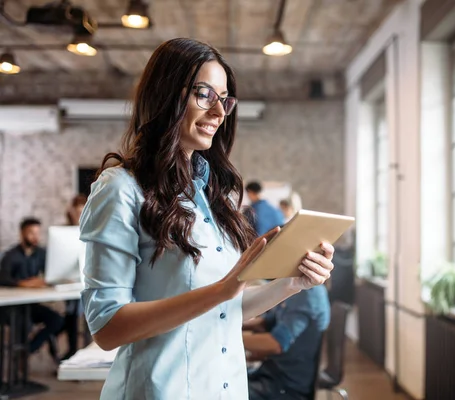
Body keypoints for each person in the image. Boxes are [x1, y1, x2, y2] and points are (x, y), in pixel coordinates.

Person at [79, 38, 335, 400]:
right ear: (166, 94)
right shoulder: (121, 188)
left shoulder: (212, 195)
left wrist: (293, 283)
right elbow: (107, 327)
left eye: (225, 99)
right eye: (204, 94)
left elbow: (225, 309)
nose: (219, 112)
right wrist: (221, 290)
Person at [244, 285, 330, 399]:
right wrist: (231, 324)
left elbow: (276, 343)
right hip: (272, 372)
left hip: (287, 385)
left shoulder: (308, 293)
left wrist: (232, 338)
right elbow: (268, 320)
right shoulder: (293, 285)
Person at [0, 218, 64, 354]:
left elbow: (51, 272)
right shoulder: (10, 256)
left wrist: (46, 281)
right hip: (12, 306)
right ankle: (17, 366)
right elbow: (4, 279)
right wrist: (24, 284)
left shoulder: (41, 254)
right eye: (31, 233)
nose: (35, 237)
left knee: (56, 320)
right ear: (22, 233)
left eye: (37, 233)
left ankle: (28, 350)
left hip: (31, 304)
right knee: (24, 324)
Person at [62, 194, 89, 360]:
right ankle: (72, 351)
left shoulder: (93, 228)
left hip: (88, 279)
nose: (79, 216)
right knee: (71, 313)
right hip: (70, 282)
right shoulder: (63, 233)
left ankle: (85, 354)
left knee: (87, 315)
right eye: (76, 212)